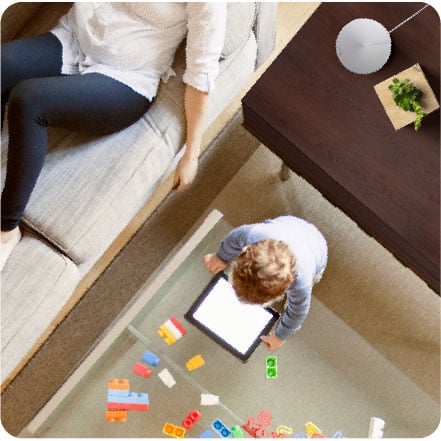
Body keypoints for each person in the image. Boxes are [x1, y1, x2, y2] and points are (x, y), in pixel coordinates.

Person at [0, 2, 227, 270]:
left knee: (28, 101)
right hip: (72, 39)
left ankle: (6, 229)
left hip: (124, 80)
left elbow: (201, 77)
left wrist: (192, 154)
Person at [204, 215, 328, 350]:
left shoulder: (301, 283)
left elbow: (298, 312)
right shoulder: (252, 234)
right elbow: (232, 240)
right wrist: (221, 257)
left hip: (317, 247)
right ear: (245, 250)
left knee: (304, 293)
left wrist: (281, 336)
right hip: (290, 223)